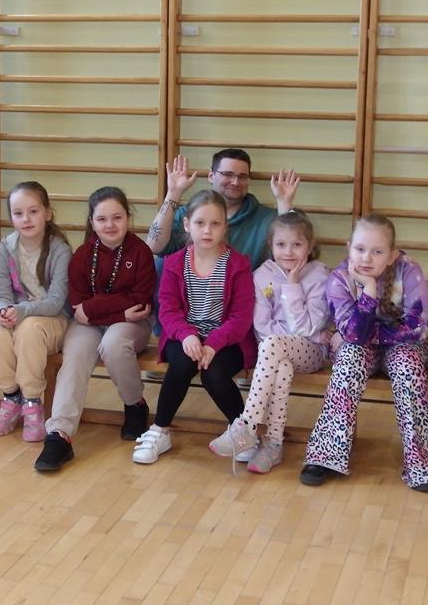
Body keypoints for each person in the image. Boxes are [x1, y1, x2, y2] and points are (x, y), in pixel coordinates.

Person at [300, 214, 428, 492]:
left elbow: (417, 327)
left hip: (407, 348)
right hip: (361, 349)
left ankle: (421, 463)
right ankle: (326, 454)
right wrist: (370, 290)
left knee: (407, 365)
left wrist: (370, 335)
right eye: (360, 249)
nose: (366, 258)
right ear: (349, 247)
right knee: (349, 358)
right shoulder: (340, 278)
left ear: (392, 255)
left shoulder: (409, 270)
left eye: (377, 251)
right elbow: (353, 336)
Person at [34, 186, 156, 471]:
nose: (110, 225)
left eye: (117, 217)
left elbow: (139, 301)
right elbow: (77, 303)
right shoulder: (82, 255)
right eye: (102, 219)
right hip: (89, 324)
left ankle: (135, 405)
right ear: (92, 221)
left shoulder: (141, 252)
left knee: (114, 345)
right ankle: (59, 433)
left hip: (132, 322)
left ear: (128, 218)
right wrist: (103, 309)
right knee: (75, 354)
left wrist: (96, 309)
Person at [132, 190, 257, 464]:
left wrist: (213, 344)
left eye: (215, 223)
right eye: (200, 223)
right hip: (184, 335)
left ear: (225, 226)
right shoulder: (175, 263)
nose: (207, 230)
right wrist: (187, 335)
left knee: (213, 373)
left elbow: (241, 317)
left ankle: (244, 433)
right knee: (181, 364)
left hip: (228, 340)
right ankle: (160, 430)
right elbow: (168, 309)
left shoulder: (238, 265)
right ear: (187, 225)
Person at [208, 210, 331, 473]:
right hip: (275, 353)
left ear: (310, 246)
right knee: (281, 366)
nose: (288, 252)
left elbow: (307, 327)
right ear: (270, 245)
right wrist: (293, 334)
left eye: (297, 244)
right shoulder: (262, 275)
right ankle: (274, 445)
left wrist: (293, 285)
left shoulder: (320, 276)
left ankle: (246, 426)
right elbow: (262, 326)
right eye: (281, 244)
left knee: (273, 345)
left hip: (312, 352)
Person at [0, 181, 72, 442]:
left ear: (48, 213)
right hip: (18, 315)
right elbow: (0, 294)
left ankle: (32, 402)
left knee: (29, 330)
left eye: (33, 211)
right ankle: (11, 397)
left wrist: (22, 310)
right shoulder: (5, 248)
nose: (26, 219)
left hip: (52, 320)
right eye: (18, 213)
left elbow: (56, 301)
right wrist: (2, 311)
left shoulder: (60, 250)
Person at [146, 149, 300, 270]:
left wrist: (284, 203)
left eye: (242, 177)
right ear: (211, 176)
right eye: (228, 174)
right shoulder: (191, 213)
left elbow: (291, 257)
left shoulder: (266, 218)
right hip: (189, 298)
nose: (235, 182)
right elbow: (154, 246)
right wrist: (173, 193)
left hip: (242, 296)